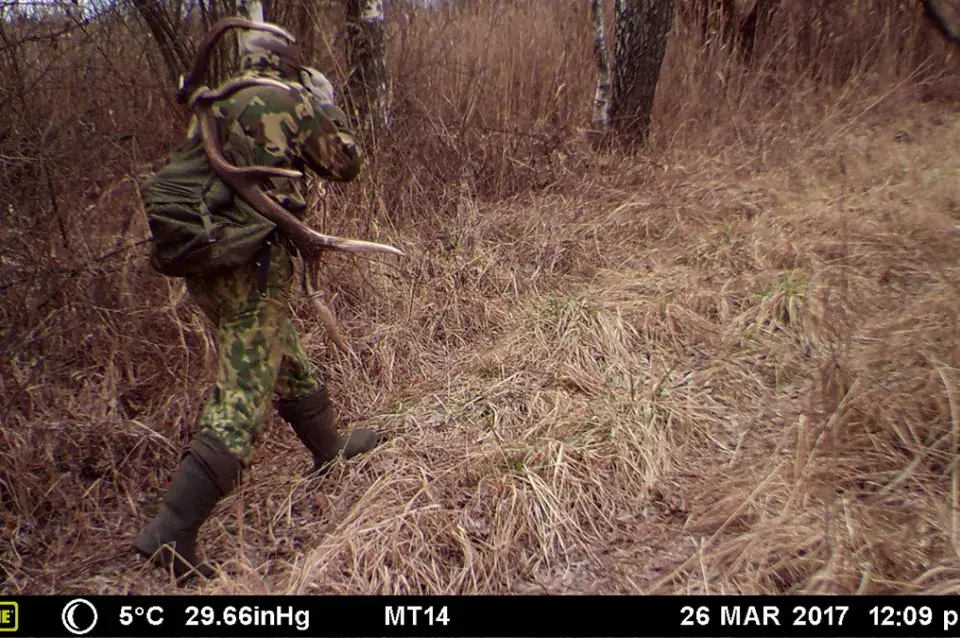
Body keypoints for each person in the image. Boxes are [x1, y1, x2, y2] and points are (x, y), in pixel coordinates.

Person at [133, 22, 379, 582]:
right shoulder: (289, 98)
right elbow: (346, 164)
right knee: (245, 389)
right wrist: (324, 106)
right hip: (255, 260)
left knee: (280, 352)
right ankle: (172, 528)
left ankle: (329, 448)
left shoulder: (218, 98)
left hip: (208, 261)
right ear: (288, 59)